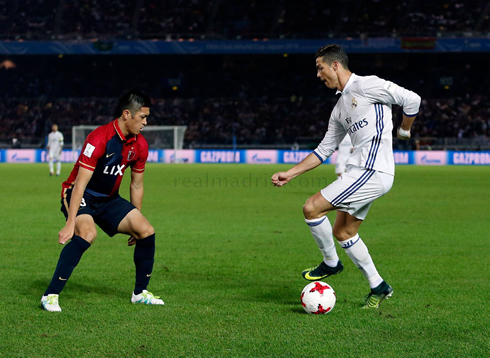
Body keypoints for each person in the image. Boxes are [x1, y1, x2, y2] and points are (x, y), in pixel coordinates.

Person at [271, 44, 420, 309]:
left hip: (372, 170)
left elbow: (412, 100)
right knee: (343, 231)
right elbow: (324, 150)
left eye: (320, 68)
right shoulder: (340, 108)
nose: (318, 75)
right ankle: (378, 286)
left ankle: (331, 263)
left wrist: (404, 131)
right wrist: (290, 173)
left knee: (311, 208)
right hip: (362, 172)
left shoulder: (367, 85)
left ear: (335, 65)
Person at [41, 89, 164, 312]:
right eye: (143, 116)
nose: (146, 121)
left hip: (109, 199)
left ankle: (140, 293)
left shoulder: (140, 145)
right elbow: (79, 184)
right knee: (88, 234)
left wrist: (135, 218)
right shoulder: (99, 138)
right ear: (127, 114)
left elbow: (136, 184)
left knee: (146, 230)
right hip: (81, 194)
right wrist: (70, 224)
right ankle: (50, 295)